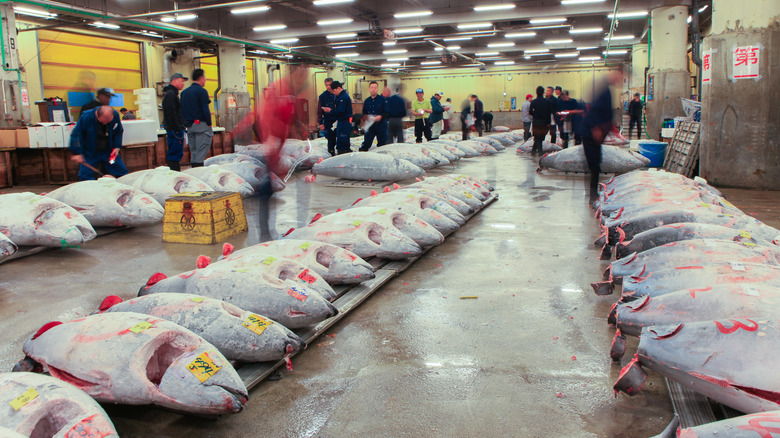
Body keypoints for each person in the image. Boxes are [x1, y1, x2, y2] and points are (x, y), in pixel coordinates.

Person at [582, 70, 622, 204]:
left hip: (595, 134)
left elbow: (604, 113)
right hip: (590, 134)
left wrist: (612, 128)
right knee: (594, 164)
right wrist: (596, 128)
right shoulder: (603, 91)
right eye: (618, 76)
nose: (619, 80)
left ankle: (593, 194)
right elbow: (594, 110)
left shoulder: (607, 91)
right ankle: (592, 195)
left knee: (596, 164)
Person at [69, 105, 128, 180]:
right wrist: (76, 153)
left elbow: (118, 131)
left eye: (108, 122)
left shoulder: (115, 115)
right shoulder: (86, 117)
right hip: (89, 153)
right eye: (103, 121)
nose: (105, 124)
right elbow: (76, 134)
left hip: (109, 152)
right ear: (97, 114)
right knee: (85, 176)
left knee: (122, 172)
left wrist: (117, 146)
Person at [180, 69, 212, 167]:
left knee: (193, 152)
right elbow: (205, 109)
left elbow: (182, 110)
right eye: (205, 78)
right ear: (201, 78)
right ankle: (199, 172)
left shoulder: (184, 93)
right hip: (201, 125)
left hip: (189, 126)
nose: (205, 81)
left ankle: (194, 170)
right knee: (201, 151)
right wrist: (209, 123)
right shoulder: (202, 91)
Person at [161, 72, 188, 171]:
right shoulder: (170, 95)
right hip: (174, 130)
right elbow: (171, 113)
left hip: (175, 129)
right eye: (181, 81)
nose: (183, 83)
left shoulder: (173, 94)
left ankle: (175, 171)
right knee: (175, 153)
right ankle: (174, 172)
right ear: (175, 80)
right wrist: (177, 127)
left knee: (176, 152)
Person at [322, 81, 352, 154]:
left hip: (344, 122)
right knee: (342, 141)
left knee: (342, 143)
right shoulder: (341, 97)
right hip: (342, 122)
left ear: (338, 88)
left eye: (334, 91)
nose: (334, 93)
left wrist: (330, 111)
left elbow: (340, 112)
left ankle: (343, 159)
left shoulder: (343, 97)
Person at [360, 81, 388, 151]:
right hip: (370, 125)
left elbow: (387, 112)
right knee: (366, 143)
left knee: (382, 144)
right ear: (369, 89)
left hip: (381, 125)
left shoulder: (382, 100)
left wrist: (380, 116)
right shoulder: (367, 101)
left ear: (377, 89)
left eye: (375, 88)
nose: (373, 89)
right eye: (371, 88)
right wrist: (365, 117)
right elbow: (364, 113)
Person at [529, 86, 553, 155]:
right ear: (543, 93)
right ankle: (535, 151)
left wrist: (535, 113)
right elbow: (550, 113)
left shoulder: (533, 102)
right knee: (541, 137)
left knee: (537, 137)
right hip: (545, 123)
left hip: (536, 122)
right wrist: (549, 122)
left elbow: (530, 112)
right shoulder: (548, 102)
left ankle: (539, 152)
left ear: (536, 93)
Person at [317, 77, 336, 155]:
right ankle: (331, 154)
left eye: (330, 85)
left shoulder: (338, 94)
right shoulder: (323, 96)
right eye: (326, 85)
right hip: (329, 121)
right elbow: (319, 111)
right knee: (330, 140)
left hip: (338, 120)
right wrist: (321, 123)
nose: (328, 87)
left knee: (341, 140)